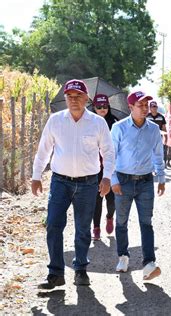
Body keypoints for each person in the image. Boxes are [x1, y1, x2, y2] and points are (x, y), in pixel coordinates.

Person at [32, 79, 115, 289]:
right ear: (66, 99)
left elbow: (108, 152)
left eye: (78, 96)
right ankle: (56, 273)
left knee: (83, 229)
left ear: (86, 99)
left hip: (88, 184)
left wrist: (107, 178)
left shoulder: (98, 123)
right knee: (52, 224)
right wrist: (36, 175)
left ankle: (80, 270)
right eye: (70, 96)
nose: (74, 100)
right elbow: (44, 150)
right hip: (60, 182)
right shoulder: (55, 121)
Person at [111, 91, 166, 280]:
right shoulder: (119, 128)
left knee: (146, 223)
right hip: (123, 180)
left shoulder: (153, 130)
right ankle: (123, 256)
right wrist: (113, 180)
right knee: (121, 222)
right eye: (140, 105)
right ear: (131, 107)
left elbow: (158, 154)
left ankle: (149, 263)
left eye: (146, 104)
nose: (145, 108)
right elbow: (110, 156)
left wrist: (161, 178)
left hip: (145, 181)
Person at [91, 94, 119, 240]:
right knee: (96, 198)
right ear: (94, 107)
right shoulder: (88, 121)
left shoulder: (115, 122)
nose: (102, 109)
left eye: (105, 107)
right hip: (93, 166)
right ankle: (96, 228)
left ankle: (109, 217)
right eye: (99, 107)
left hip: (111, 165)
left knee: (111, 198)